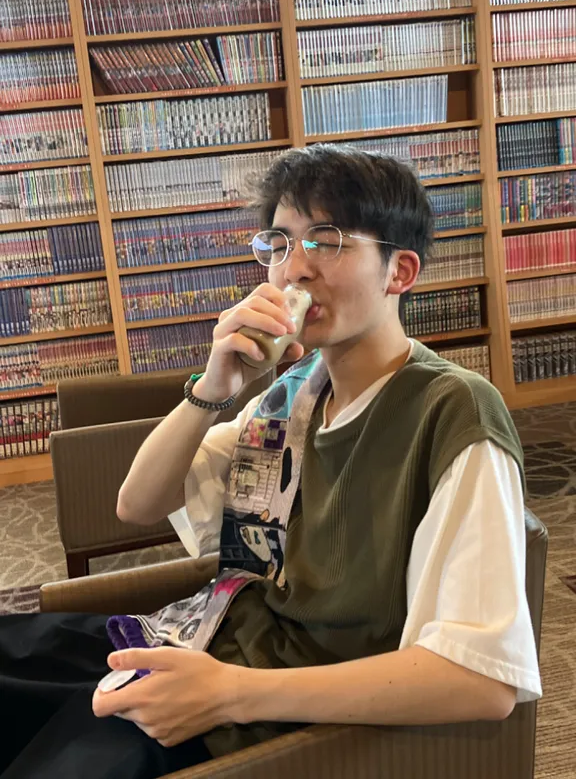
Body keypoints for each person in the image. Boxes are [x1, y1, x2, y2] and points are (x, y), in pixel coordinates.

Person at [0, 145, 541, 779]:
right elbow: (136, 504)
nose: (294, 270)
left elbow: (481, 681)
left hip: (270, 705)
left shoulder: (451, 409)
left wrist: (227, 692)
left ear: (399, 272)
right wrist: (213, 387)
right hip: (202, 632)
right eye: (281, 244)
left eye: (327, 240)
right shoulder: (294, 394)